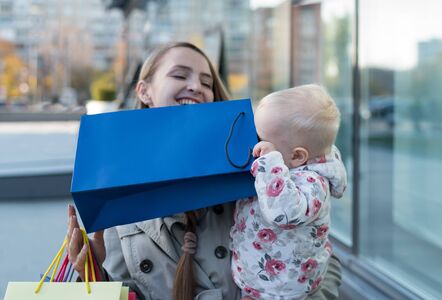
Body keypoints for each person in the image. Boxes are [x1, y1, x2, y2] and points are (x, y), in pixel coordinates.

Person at [66, 42, 343, 300]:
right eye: (180, 75)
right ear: (144, 90)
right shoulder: (116, 191)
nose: (196, 86)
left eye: (206, 81)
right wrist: (93, 274)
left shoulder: (256, 161)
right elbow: (132, 292)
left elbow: (317, 254)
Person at [230, 85, 347, 300]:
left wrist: (269, 163)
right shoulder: (290, 166)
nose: (254, 143)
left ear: (297, 157)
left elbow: (283, 212)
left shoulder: (313, 183)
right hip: (260, 282)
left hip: (282, 291)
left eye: (260, 139)